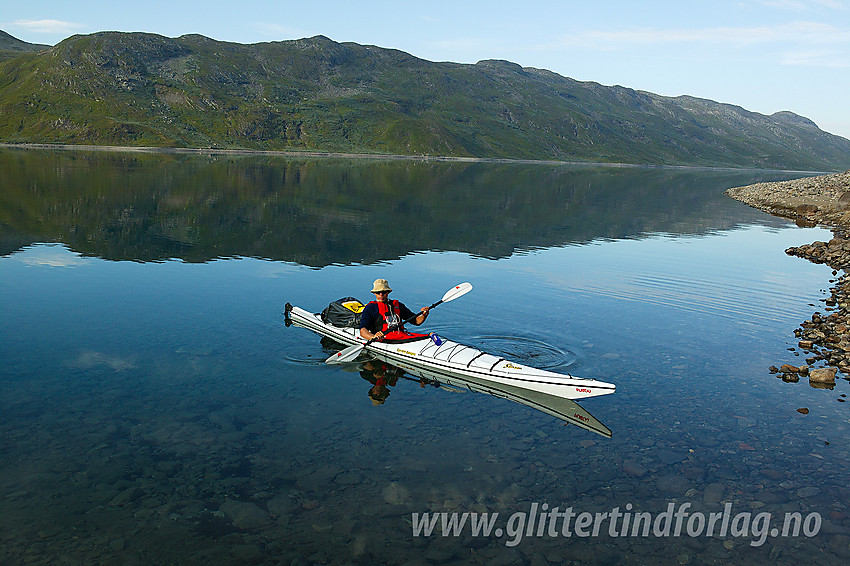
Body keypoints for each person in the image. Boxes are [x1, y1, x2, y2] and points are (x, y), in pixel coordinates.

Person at [359, 279, 430, 341]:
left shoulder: (398, 305)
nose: (381, 294)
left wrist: (424, 315)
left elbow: (417, 321)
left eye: (383, 292)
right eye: (378, 292)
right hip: (383, 338)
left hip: (401, 336)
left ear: (388, 292)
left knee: (430, 335)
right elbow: (363, 330)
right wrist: (373, 337)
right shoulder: (370, 308)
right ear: (374, 293)